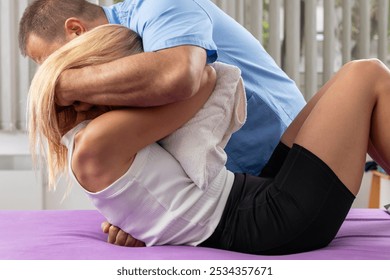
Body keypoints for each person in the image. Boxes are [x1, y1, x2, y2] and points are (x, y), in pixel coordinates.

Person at [29, 24, 390, 255]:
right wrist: (164, 70)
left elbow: (151, 196)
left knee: (340, 94)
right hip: (269, 223)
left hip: (257, 199)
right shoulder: (97, 142)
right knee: (365, 73)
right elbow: (199, 80)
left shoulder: (87, 140)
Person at [19, 0, 306, 178]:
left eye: (50, 62)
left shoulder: (160, 5)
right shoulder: (111, 79)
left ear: (76, 31)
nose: (52, 74)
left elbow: (179, 76)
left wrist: (63, 86)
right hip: (236, 183)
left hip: (290, 152)